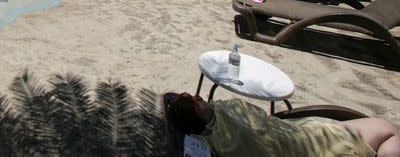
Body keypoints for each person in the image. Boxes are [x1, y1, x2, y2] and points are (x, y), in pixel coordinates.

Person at [167, 92, 400, 157]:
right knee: (389, 132)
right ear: (198, 108)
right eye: (198, 99)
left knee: (387, 131)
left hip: (303, 133)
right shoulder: (231, 117)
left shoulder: (208, 140)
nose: (203, 99)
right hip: (317, 144)